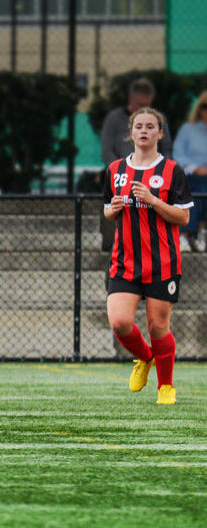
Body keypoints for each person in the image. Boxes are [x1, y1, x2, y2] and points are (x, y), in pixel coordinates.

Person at [103, 108, 191, 406]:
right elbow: (107, 209)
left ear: (160, 133)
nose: (143, 131)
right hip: (125, 262)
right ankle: (145, 357)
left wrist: (154, 201)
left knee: (157, 326)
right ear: (131, 133)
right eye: (138, 126)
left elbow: (183, 217)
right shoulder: (115, 170)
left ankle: (165, 387)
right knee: (119, 322)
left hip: (161, 263)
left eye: (150, 126)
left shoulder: (172, 171)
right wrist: (111, 211)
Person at [101, 78, 173, 166]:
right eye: (140, 105)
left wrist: (161, 168)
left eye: (148, 105)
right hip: (122, 171)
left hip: (152, 171)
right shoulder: (114, 118)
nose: (144, 109)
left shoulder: (158, 118)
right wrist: (120, 170)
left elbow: (166, 149)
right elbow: (107, 151)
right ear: (130, 99)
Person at [172, 91, 207, 252]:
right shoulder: (188, 129)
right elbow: (178, 154)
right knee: (198, 188)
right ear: (199, 109)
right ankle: (193, 233)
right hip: (191, 174)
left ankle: (192, 233)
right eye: (205, 107)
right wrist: (195, 168)